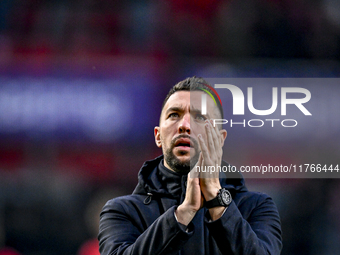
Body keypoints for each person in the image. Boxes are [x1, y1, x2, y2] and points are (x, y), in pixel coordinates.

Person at [98, 77, 282, 255]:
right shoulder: (122, 211)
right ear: (158, 136)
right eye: (174, 115)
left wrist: (218, 202)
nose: (184, 125)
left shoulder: (256, 207)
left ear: (220, 138)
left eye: (200, 116)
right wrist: (183, 214)